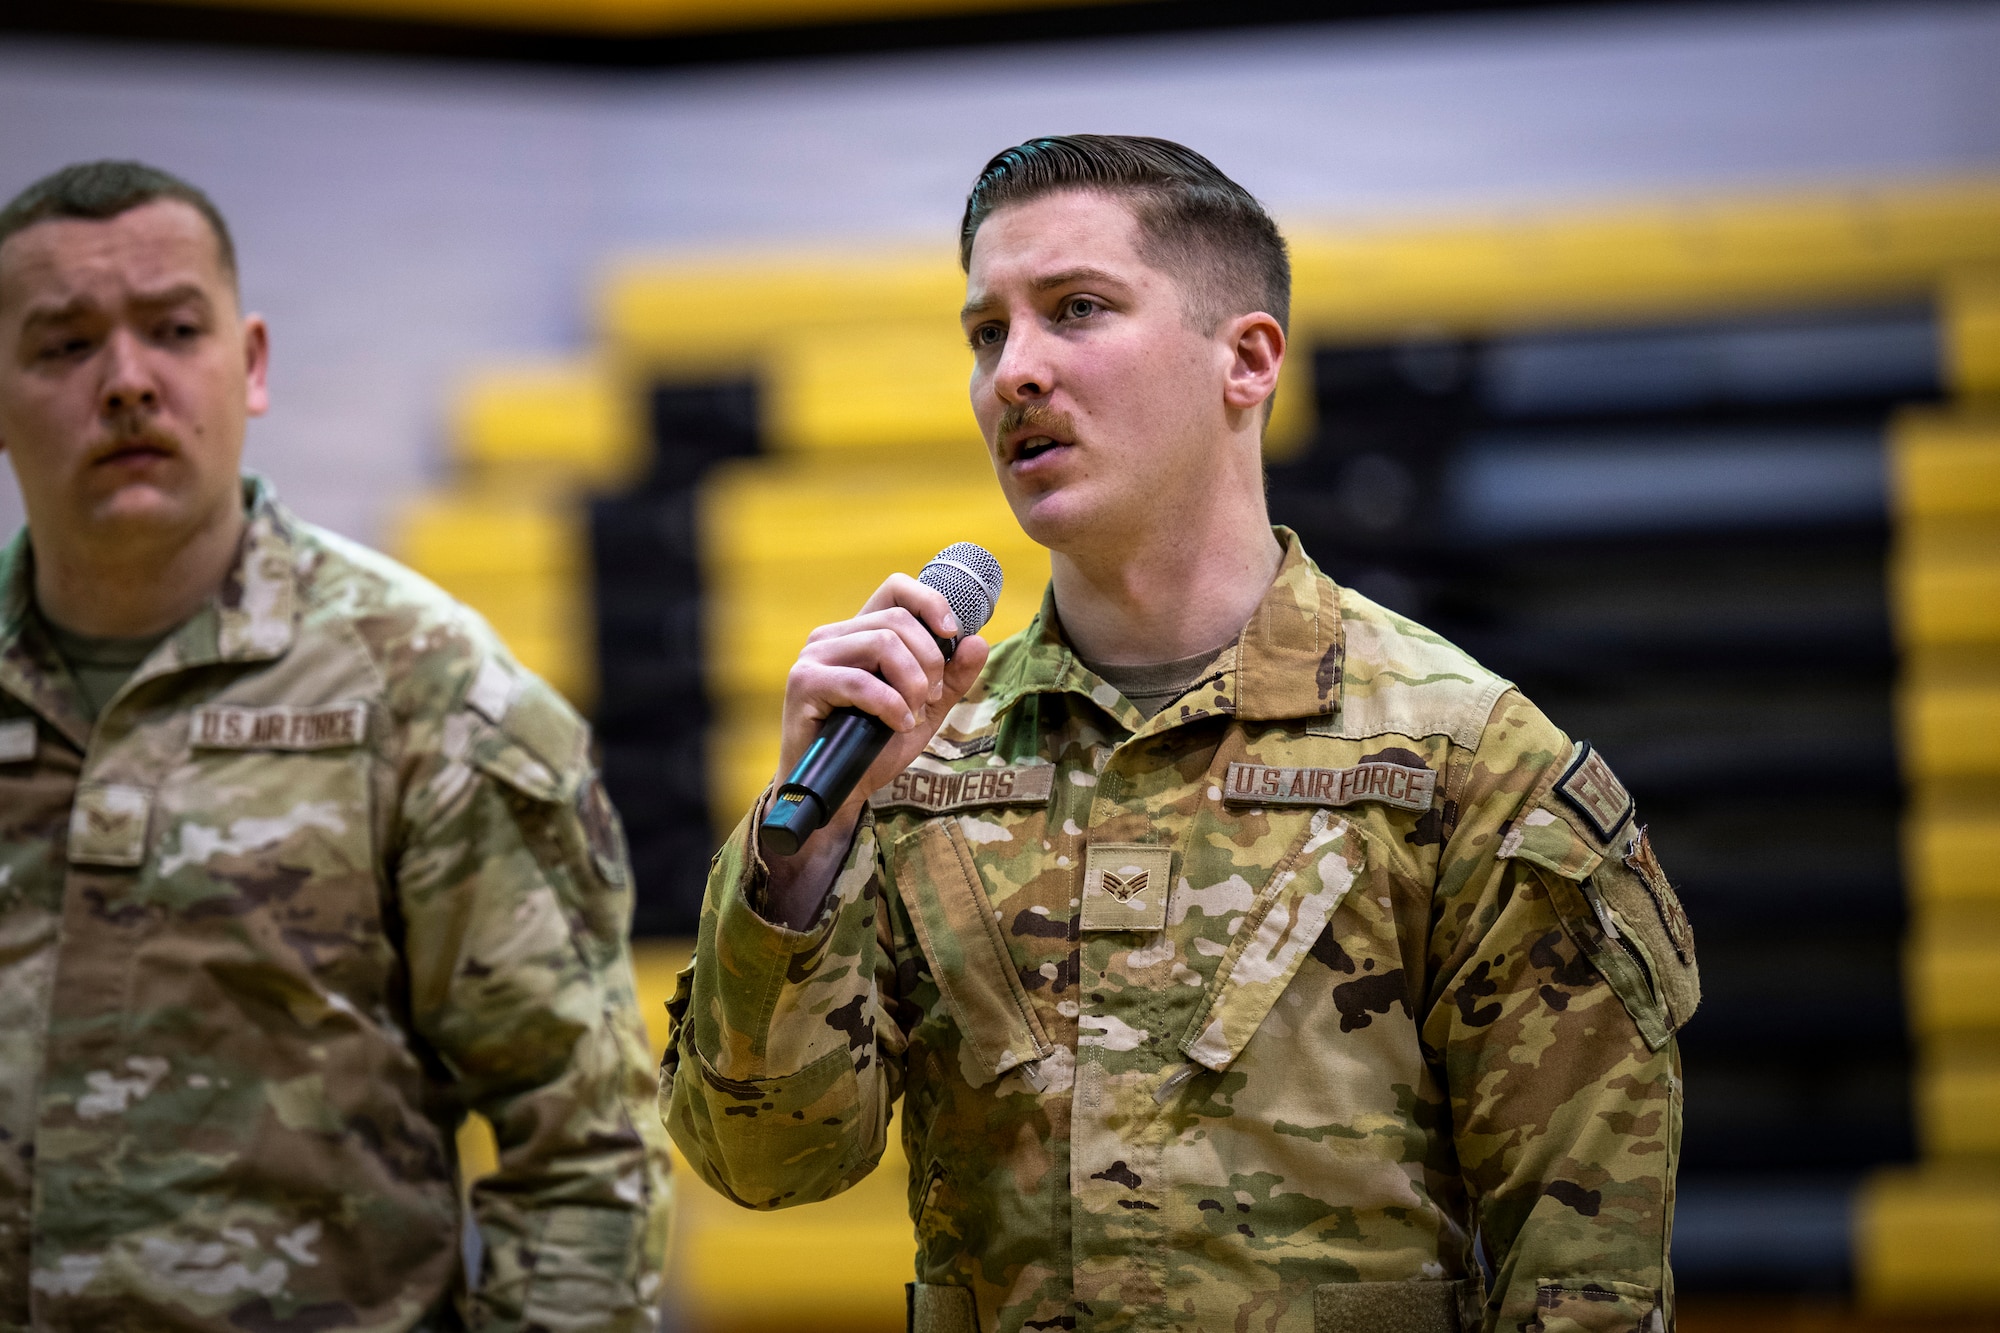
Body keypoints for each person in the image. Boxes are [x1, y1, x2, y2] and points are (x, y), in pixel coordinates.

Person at [662, 135, 1700, 1333]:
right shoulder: (913, 757)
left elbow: (1586, 1288)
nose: (1014, 373)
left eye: (1077, 309)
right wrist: (802, 856)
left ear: (1245, 360)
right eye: (985, 333)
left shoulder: (1466, 760)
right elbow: (765, 1165)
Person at [0, 160, 670, 1331]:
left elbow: (584, 1151)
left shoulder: (426, 688)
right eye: (63, 346)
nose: (126, 383)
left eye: (173, 330)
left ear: (248, 362)